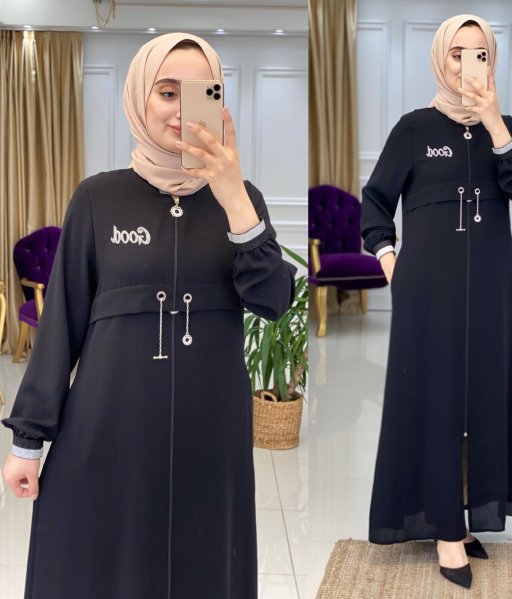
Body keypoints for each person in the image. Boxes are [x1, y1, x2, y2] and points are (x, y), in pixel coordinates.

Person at [1, 32, 296, 599]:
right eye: (167, 92)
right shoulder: (97, 199)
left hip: (210, 438)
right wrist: (27, 443)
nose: (181, 110)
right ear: (140, 97)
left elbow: (274, 300)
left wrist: (233, 195)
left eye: (201, 93)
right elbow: (60, 325)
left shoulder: (243, 200)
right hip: (108, 434)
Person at [360, 14, 512, 589]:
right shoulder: (414, 129)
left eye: (479, 52)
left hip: (491, 287)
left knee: (482, 399)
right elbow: (375, 201)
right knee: (436, 398)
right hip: (427, 294)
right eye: (457, 53)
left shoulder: (504, 128)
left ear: (493, 61)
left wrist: (494, 121)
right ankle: (441, 525)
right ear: (441, 59)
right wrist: (390, 261)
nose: (467, 64)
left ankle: (463, 513)